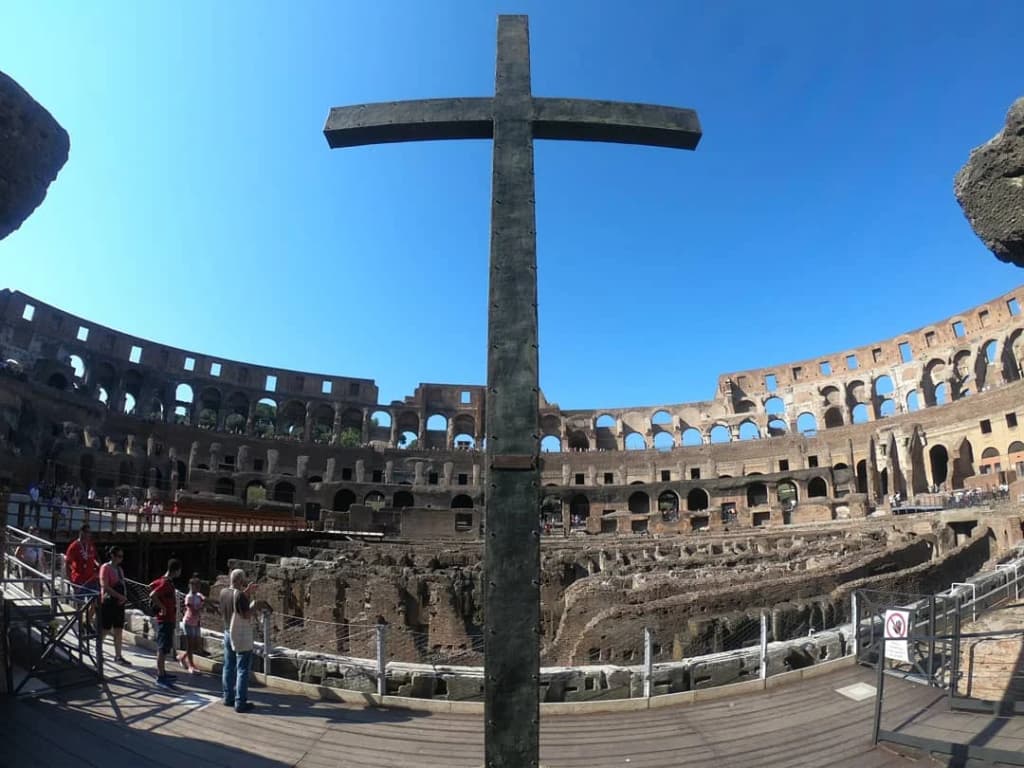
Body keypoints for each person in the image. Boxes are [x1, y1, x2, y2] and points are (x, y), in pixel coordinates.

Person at [220, 568, 258, 712]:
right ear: (239, 580)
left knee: (228, 666)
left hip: (227, 632)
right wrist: (255, 606)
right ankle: (240, 702)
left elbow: (235, 604)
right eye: (243, 580)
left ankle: (227, 697)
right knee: (242, 668)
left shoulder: (223, 592)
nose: (244, 582)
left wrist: (246, 592)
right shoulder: (240, 596)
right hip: (239, 634)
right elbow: (246, 614)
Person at [149, 558, 182, 686]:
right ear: (176, 570)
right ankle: (160, 676)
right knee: (162, 648)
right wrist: (162, 607)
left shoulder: (163, 580)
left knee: (164, 647)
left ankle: (162, 672)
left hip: (167, 619)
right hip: (165, 619)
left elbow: (151, 585)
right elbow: (153, 594)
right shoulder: (166, 583)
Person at [99, 546, 132, 666]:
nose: (120, 559)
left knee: (119, 630)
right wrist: (119, 596)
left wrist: (123, 598)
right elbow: (105, 586)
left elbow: (122, 584)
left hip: (119, 603)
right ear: (112, 555)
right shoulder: (105, 568)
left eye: (122, 556)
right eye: (118, 556)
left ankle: (118, 656)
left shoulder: (119, 569)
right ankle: (99, 651)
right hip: (108, 603)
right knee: (105, 629)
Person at [65, 524, 99, 626]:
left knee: (96, 601)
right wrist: (71, 581)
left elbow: (94, 558)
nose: (89, 534)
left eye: (90, 532)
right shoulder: (74, 546)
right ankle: (79, 626)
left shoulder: (90, 545)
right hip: (79, 579)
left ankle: (87, 622)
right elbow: (67, 564)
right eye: (87, 532)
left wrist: (98, 565)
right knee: (79, 604)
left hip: (91, 578)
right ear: (82, 532)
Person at [178, 573, 204, 674]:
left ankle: (182, 658)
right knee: (190, 644)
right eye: (195, 585)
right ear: (191, 586)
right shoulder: (189, 597)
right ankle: (191, 665)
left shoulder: (199, 596)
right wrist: (202, 605)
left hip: (196, 622)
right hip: (188, 622)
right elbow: (193, 610)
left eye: (199, 586)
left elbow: (205, 600)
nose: (197, 588)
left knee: (196, 645)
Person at [14, 526, 45, 597]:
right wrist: (25, 564)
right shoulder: (25, 542)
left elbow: (42, 557)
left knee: (37, 588)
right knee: (28, 588)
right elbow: (17, 554)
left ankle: (38, 603)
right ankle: (27, 602)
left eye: (37, 533)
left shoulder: (40, 543)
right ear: (30, 533)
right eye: (34, 533)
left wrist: (44, 568)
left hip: (37, 567)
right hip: (28, 568)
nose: (36, 535)